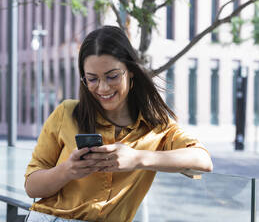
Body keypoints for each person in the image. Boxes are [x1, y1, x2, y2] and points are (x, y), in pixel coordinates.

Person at [24, 25, 213, 222]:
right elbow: (32, 187)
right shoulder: (66, 113)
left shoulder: (155, 125)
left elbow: (203, 160)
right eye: (92, 79)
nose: (103, 87)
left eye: (112, 76)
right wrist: (67, 171)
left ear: (130, 71)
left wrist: (138, 158)